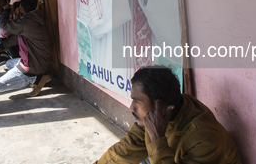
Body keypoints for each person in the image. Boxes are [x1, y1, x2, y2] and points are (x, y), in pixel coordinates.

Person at [94, 67, 242, 164]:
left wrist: (157, 139)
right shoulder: (165, 110)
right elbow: (125, 149)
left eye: (137, 101)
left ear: (160, 107)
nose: (131, 107)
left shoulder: (204, 139)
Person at [0, 0, 52, 96]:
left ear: (22, 8)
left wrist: (6, 10)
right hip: (41, 62)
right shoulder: (35, 18)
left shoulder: (26, 23)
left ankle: (36, 79)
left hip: (34, 66)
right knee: (9, 64)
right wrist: (2, 46)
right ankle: (38, 75)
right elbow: (17, 38)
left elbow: (4, 24)